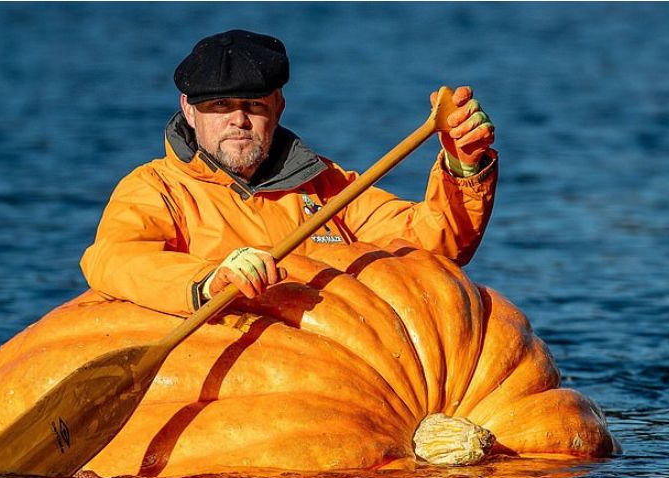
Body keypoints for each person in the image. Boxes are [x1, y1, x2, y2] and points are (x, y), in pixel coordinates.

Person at [81, 29, 497, 317]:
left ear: (279, 106)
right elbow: (114, 259)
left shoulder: (329, 185)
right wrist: (209, 279)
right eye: (220, 107)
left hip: (339, 378)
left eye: (255, 106)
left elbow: (431, 248)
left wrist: (465, 165)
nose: (238, 120)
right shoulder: (156, 189)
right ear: (189, 110)